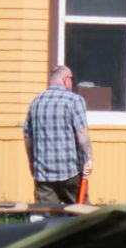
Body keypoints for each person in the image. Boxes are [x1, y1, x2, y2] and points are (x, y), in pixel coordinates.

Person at [22, 65, 90, 207]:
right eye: (72, 79)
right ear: (66, 80)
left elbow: (28, 136)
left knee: (45, 217)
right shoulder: (74, 100)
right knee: (81, 215)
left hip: (43, 174)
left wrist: (31, 162)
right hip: (70, 172)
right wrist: (89, 158)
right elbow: (81, 134)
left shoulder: (36, 102)